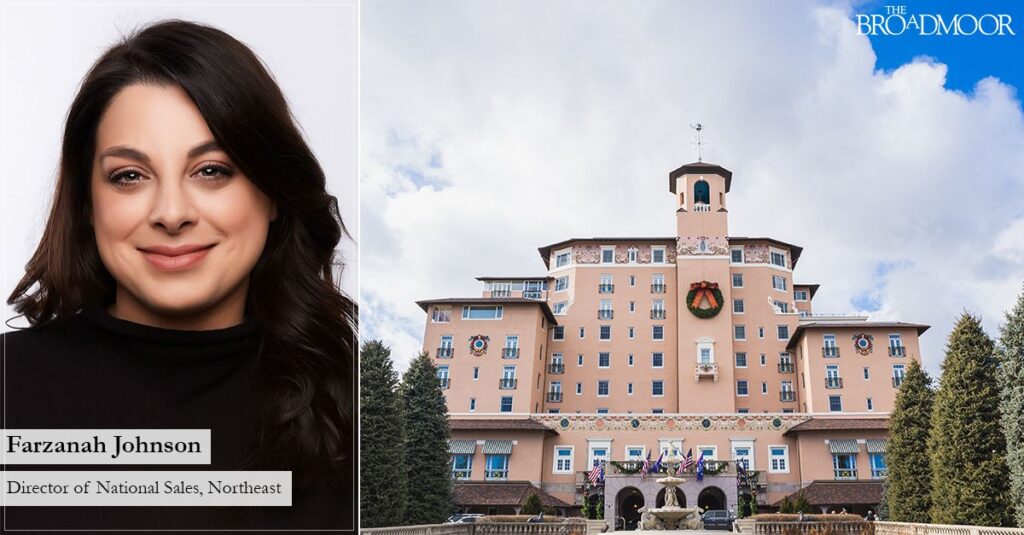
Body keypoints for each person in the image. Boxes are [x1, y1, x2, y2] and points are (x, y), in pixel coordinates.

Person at [1, 20, 355, 531]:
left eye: (212, 171)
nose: (171, 213)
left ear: (273, 192)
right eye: (129, 176)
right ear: (88, 205)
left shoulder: (351, 406)